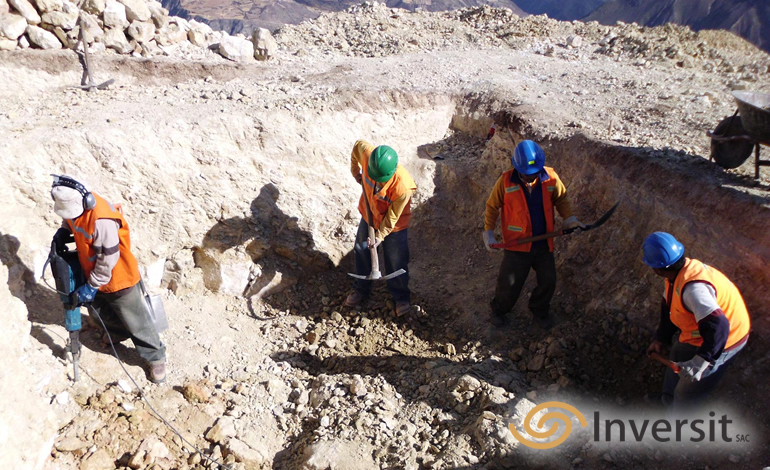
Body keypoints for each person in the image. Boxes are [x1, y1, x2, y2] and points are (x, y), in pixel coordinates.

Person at [50, 175, 167, 383]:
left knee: (136, 318)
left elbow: (108, 259)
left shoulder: (102, 220)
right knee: (102, 310)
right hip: (91, 271)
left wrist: (92, 285)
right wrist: (63, 230)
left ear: (85, 201)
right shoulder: (75, 206)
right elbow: (71, 219)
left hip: (117, 277)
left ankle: (155, 357)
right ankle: (118, 332)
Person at [643, 232, 750, 412]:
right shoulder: (676, 275)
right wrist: (660, 339)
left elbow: (719, 326)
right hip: (701, 332)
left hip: (726, 339)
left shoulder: (693, 289)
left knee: (688, 392)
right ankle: (667, 402)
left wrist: (702, 361)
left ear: (658, 268)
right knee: (677, 354)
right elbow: (669, 306)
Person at [483, 140, 584, 329]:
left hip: (543, 243)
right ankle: (499, 310)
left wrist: (569, 218)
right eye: (526, 174)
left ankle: (539, 310)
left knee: (549, 280)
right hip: (517, 245)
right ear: (517, 167)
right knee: (509, 283)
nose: (530, 178)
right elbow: (492, 206)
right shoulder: (505, 181)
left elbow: (561, 199)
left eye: (533, 174)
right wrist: (488, 232)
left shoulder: (551, 178)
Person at [344, 141, 417, 317]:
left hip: (394, 224)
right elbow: (356, 146)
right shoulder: (368, 154)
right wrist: (355, 172)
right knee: (361, 249)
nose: (375, 181)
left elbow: (392, 217)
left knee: (396, 259)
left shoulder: (403, 187)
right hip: (369, 215)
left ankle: (400, 297)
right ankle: (361, 288)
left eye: (380, 179)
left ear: (391, 173)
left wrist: (380, 236)